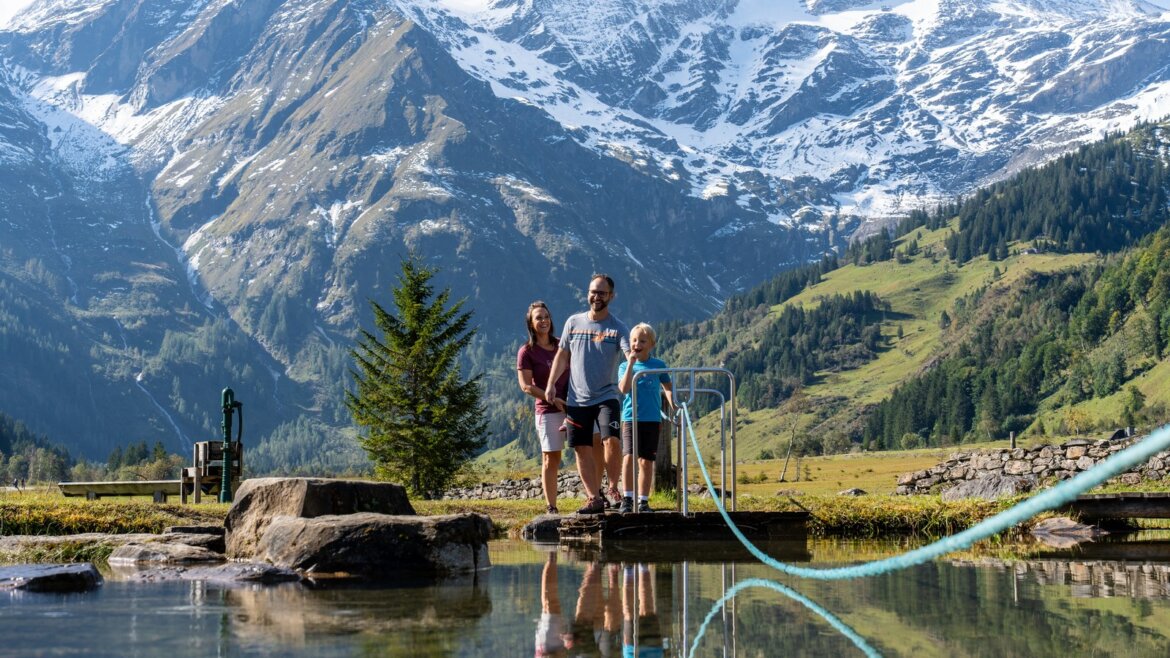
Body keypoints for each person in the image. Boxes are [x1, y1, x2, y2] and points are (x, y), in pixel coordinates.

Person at [545, 274, 630, 515]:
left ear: (611, 296)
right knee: (581, 448)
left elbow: (629, 354)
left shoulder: (618, 327)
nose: (597, 296)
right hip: (577, 399)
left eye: (602, 293)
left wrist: (635, 360)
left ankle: (613, 489)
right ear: (588, 293)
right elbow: (562, 355)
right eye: (593, 291)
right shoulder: (573, 322)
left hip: (607, 396)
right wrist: (551, 384)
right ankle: (594, 498)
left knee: (611, 440)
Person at [518, 301, 570, 515]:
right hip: (548, 411)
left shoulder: (561, 345)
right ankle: (551, 507)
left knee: (587, 449)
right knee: (551, 458)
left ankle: (595, 497)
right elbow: (526, 386)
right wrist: (552, 399)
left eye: (546, 316)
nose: (544, 321)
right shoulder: (527, 351)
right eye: (538, 318)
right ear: (530, 323)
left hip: (573, 406)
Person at [616, 323, 674, 514]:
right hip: (630, 418)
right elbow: (623, 389)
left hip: (652, 419)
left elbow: (667, 387)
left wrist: (674, 405)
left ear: (651, 344)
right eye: (634, 340)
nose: (637, 344)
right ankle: (627, 498)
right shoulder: (624, 366)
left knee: (646, 461)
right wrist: (631, 365)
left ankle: (643, 501)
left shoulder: (658, 365)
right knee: (629, 457)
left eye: (642, 341)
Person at [621, 564, 665, 658]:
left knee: (631, 615)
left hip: (644, 650)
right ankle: (639, 567)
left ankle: (631, 569)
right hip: (652, 650)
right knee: (644, 611)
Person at [534, 551, 570, 656]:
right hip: (550, 645)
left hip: (547, 645)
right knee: (549, 603)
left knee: (548, 604)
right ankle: (552, 557)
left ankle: (552, 557)